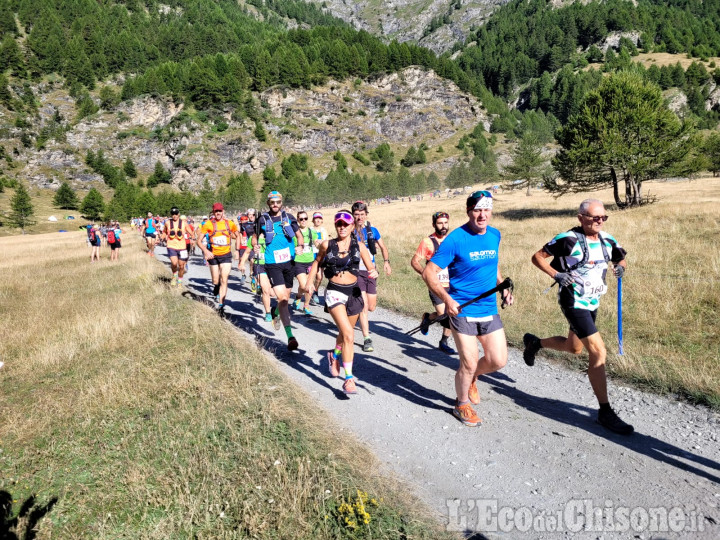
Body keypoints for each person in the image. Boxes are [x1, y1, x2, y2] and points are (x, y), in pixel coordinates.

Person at [523, 199, 633, 435]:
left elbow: (620, 258)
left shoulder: (607, 239)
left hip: (593, 301)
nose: (599, 221)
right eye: (595, 217)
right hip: (573, 301)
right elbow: (537, 257)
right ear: (581, 217)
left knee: (574, 348)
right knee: (598, 351)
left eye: (603, 217)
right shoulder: (567, 239)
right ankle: (605, 412)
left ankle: (535, 343)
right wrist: (557, 274)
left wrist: (621, 267)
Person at [423, 190, 514, 427]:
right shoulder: (456, 239)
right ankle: (461, 404)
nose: (482, 215)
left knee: (498, 360)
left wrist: (502, 286)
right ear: (468, 211)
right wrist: (447, 299)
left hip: (488, 308)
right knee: (469, 362)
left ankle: (472, 379)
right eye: (477, 210)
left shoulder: (494, 235)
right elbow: (429, 272)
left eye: (486, 209)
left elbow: (492, 264)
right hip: (462, 309)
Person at [305, 210, 378, 394]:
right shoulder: (326, 245)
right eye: (339, 224)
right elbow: (316, 263)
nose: (342, 227)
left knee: (345, 334)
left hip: (353, 292)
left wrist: (374, 272)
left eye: (346, 224)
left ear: (352, 226)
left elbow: (371, 268)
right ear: (335, 225)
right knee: (349, 336)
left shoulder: (359, 246)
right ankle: (349, 379)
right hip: (335, 292)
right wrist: (309, 282)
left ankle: (334, 355)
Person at [252, 191, 305, 351]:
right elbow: (254, 236)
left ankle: (275, 313)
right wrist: (255, 244)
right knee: (282, 298)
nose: (275, 204)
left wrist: (300, 246)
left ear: (281, 203)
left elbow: (299, 235)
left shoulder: (289, 218)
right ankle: (290, 337)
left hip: (289, 262)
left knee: (286, 298)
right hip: (272, 263)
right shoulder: (262, 219)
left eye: (278, 202)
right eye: (272, 202)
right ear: (268, 203)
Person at [411, 211, 455, 354]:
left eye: (445, 223)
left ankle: (443, 341)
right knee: (443, 313)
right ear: (434, 225)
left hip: (452, 284)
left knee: (451, 312)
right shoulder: (428, 242)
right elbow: (414, 261)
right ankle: (428, 318)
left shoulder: (452, 240)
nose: (443, 226)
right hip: (436, 285)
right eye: (440, 223)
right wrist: (426, 274)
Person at [351, 201, 392, 352]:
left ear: (366, 215)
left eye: (362, 214)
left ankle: (353, 315)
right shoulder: (349, 231)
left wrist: (386, 262)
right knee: (364, 306)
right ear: (353, 216)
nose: (359, 217)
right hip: (356, 273)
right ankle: (367, 337)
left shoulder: (373, 230)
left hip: (371, 272)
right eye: (356, 215)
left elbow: (383, 247)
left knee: (372, 306)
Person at [198, 203, 241, 312]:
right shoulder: (208, 224)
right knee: (215, 280)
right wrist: (206, 251)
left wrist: (237, 250)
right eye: (216, 211)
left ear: (223, 211)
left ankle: (221, 305)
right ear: (213, 212)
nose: (218, 213)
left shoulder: (229, 223)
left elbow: (238, 235)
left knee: (224, 279)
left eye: (220, 211)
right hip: (213, 255)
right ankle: (216, 287)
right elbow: (198, 241)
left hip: (226, 255)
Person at [291, 210, 316, 315]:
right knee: (305, 284)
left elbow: (316, 244)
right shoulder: (294, 233)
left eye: (305, 218)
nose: (303, 221)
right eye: (301, 219)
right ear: (297, 220)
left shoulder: (312, 232)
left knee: (307, 285)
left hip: (310, 261)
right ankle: (303, 303)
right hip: (298, 262)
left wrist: (320, 244)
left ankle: (304, 303)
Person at [163, 207, 191, 288]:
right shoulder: (167, 223)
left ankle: (180, 281)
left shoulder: (184, 223)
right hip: (171, 245)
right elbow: (164, 232)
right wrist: (161, 237)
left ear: (178, 214)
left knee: (182, 266)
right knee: (174, 263)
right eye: (172, 214)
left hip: (182, 247)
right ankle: (174, 276)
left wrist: (193, 238)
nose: (174, 215)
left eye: (176, 214)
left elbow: (191, 232)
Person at [309, 211, 328, 305]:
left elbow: (326, 242)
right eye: (316, 218)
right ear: (313, 220)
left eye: (320, 218)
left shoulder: (324, 231)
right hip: (311, 255)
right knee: (312, 275)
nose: (318, 220)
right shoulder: (310, 230)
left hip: (321, 255)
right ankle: (309, 293)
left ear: (322, 220)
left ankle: (315, 291)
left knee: (319, 277)